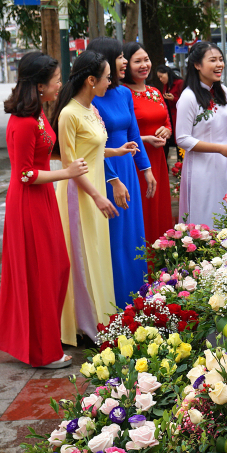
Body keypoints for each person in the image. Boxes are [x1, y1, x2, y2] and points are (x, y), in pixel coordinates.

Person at [0, 52, 89, 369]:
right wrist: (68, 173)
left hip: (43, 199)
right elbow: (24, 174)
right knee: (41, 274)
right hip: (28, 203)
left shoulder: (37, 115)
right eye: (56, 79)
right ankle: (41, 351)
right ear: (38, 85)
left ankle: (39, 343)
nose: (60, 84)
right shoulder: (22, 123)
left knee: (56, 269)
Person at [51, 50, 136, 345]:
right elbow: (70, 166)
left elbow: (94, 150)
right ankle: (82, 325)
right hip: (79, 194)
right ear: (91, 80)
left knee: (97, 253)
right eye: (106, 77)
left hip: (95, 188)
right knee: (82, 256)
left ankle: (100, 318)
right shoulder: (69, 114)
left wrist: (117, 150)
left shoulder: (91, 109)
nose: (109, 83)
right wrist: (99, 197)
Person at [89, 37, 156, 309]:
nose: (125, 61)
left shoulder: (125, 93)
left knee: (133, 236)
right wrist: (111, 179)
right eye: (119, 56)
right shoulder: (92, 96)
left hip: (128, 168)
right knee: (115, 238)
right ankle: (115, 302)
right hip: (106, 171)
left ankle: (138, 298)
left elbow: (134, 135)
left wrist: (146, 168)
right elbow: (91, 146)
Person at [176, 41, 227, 228]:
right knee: (205, 214)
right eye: (212, 60)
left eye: (221, 60)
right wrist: (219, 149)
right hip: (201, 167)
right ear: (197, 65)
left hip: (226, 164)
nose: (219, 65)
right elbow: (182, 138)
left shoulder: (222, 91)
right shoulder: (189, 97)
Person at [122, 42, 173, 246]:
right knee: (142, 209)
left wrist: (167, 131)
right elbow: (116, 134)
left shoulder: (155, 92)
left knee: (159, 208)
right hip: (135, 161)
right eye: (137, 61)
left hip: (158, 160)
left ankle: (161, 261)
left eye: (146, 60)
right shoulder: (122, 94)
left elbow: (167, 122)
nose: (144, 65)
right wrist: (144, 140)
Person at [156, 65, 184, 160]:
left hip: (178, 117)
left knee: (179, 143)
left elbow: (185, 101)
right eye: (158, 77)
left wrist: (174, 99)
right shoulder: (166, 85)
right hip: (169, 117)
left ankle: (180, 165)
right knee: (166, 143)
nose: (160, 79)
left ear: (167, 73)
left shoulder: (179, 83)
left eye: (161, 76)